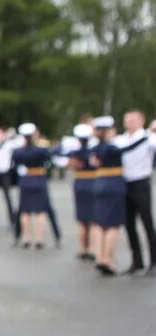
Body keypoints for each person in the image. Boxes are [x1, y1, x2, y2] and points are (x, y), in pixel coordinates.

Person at [118, 110, 156, 276]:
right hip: (125, 182)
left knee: (147, 222)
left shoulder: (149, 138)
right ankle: (137, 261)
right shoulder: (121, 139)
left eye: (132, 120)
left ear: (141, 121)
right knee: (129, 224)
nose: (129, 123)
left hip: (141, 182)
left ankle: (154, 260)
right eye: (127, 120)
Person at [90, 116, 127, 275]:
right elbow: (129, 148)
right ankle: (107, 259)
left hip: (99, 182)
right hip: (114, 184)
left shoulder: (95, 148)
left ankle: (99, 256)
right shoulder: (111, 148)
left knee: (100, 223)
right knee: (113, 224)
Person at [10, 123, 54, 249]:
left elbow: (14, 166)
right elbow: (49, 163)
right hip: (39, 178)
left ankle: (26, 237)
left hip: (25, 179)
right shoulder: (42, 150)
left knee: (25, 211)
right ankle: (39, 238)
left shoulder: (18, 151)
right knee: (40, 211)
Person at [66, 123, 98, 261]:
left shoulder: (75, 153)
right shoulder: (94, 151)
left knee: (81, 219)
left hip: (80, 182)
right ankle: (92, 248)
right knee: (94, 219)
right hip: (93, 181)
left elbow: (71, 166)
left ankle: (83, 248)